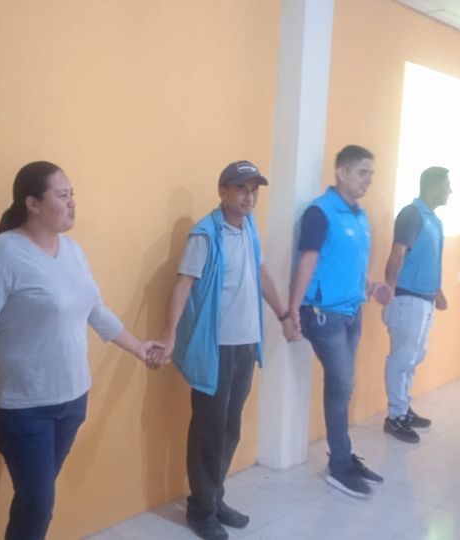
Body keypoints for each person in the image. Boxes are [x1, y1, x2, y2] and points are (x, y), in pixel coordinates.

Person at [0, 161, 165, 540]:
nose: (72, 202)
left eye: (72, 194)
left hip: (72, 398)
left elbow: (95, 309)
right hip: (23, 404)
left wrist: (138, 346)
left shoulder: (73, 250)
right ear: (33, 204)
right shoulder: (1, 254)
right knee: (38, 502)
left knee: (34, 500)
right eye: (62, 195)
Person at [158, 161, 291, 540]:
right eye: (241, 189)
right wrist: (168, 336)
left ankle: (213, 498)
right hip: (214, 349)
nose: (249, 197)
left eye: (254, 190)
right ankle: (200, 510)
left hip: (246, 345)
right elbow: (183, 284)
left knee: (230, 427)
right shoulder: (205, 234)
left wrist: (283, 313)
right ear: (223, 191)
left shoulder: (249, 228)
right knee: (209, 430)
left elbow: (261, 273)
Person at [285, 145, 389, 499]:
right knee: (341, 385)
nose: (368, 180)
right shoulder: (320, 212)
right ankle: (340, 466)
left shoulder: (360, 216)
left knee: (343, 386)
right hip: (322, 314)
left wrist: (371, 285)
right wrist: (292, 311)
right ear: (342, 173)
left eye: (371, 174)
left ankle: (343, 455)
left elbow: (350, 263)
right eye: (362, 172)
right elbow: (307, 262)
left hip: (352, 312)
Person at [380, 166, 451, 443]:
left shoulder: (434, 220)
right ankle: (395, 416)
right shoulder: (412, 215)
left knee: (415, 356)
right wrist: (389, 290)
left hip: (425, 299)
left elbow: (429, 260)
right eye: (446, 185)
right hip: (407, 299)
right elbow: (397, 254)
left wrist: (438, 292)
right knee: (401, 359)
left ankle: (404, 407)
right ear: (432, 187)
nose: (450, 191)